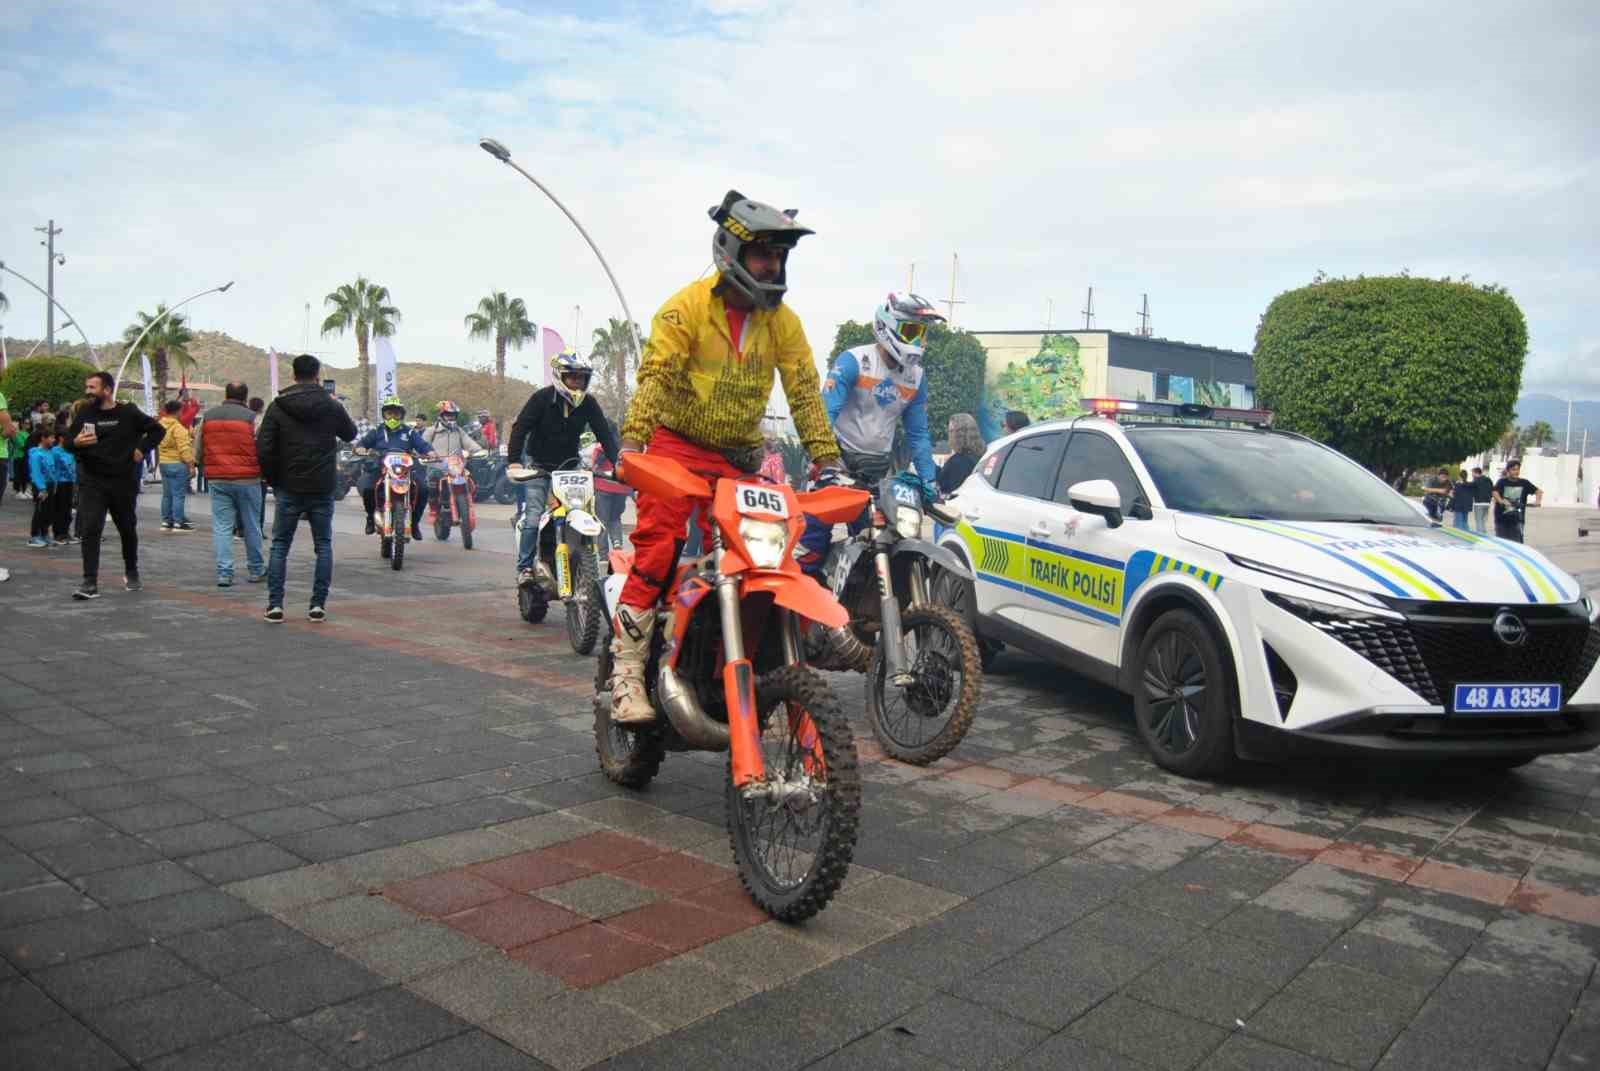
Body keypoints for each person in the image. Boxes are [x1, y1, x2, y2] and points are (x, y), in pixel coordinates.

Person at [609, 189, 843, 724]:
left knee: (766, 557)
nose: (774, 266)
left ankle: (737, 664)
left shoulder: (783, 322)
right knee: (660, 547)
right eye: (764, 253)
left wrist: (827, 460)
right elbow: (658, 376)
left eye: (780, 256)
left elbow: (805, 390)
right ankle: (627, 673)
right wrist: (632, 442)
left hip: (738, 458)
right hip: (674, 447)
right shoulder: (685, 307)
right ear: (730, 251)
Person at [256, 354, 357, 622]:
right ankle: (317, 605)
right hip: (322, 485)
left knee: (280, 545)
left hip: (288, 485)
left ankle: (275, 605)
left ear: (293, 374)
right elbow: (351, 434)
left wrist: (273, 479)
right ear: (317, 374)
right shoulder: (331, 405)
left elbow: (264, 447)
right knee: (323, 545)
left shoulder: (278, 406)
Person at [508, 352, 619, 588]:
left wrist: (617, 463)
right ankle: (525, 568)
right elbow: (520, 428)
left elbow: (604, 434)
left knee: (584, 512)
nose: (578, 382)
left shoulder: (589, 403)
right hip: (539, 466)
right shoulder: (541, 398)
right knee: (533, 517)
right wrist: (514, 461)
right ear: (560, 377)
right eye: (573, 377)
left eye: (582, 378)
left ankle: (582, 562)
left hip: (571, 467)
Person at [65, 371, 165, 600]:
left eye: (92, 387)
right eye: (87, 387)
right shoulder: (85, 413)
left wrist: (142, 448)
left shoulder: (128, 412)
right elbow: (69, 443)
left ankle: (132, 571)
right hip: (92, 482)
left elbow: (158, 430)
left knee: (127, 529)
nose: (87, 391)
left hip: (123, 482)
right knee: (91, 529)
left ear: (107, 389)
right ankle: (89, 581)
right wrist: (76, 442)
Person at [194, 382, 265, 587]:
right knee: (251, 525)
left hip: (218, 479)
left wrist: (200, 464)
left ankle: (224, 573)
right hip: (248, 480)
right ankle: (256, 569)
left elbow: (198, 449)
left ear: (226, 394)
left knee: (222, 527)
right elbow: (263, 448)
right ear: (245, 397)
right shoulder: (253, 419)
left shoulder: (208, 417)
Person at [355, 397, 432, 540]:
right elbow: (363, 443)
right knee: (367, 488)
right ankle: (371, 518)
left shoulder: (409, 432)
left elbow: (422, 445)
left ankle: (414, 524)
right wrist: (360, 448)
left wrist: (431, 452)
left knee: (423, 489)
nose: (392, 417)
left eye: (396, 414)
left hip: (405, 469)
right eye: (389, 413)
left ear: (401, 415)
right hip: (381, 467)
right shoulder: (377, 431)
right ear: (384, 414)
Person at [156, 399, 197, 531]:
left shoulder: (159, 425)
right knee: (178, 494)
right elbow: (184, 449)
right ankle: (178, 522)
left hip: (163, 463)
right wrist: (191, 465)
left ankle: (166, 521)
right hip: (177, 463)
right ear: (178, 411)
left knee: (167, 494)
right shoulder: (178, 428)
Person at [589, 439, 630, 552]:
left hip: (603, 487)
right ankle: (617, 544)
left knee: (602, 521)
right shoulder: (626, 447)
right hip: (622, 489)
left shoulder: (601, 447)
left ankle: (603, 555)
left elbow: (593, 467)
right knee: (615, 518)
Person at [1492, 459, 1542, 543]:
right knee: (1502, 543)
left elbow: (1538, 491)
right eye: (1513, 469)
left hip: (1517, 520)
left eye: (1518, 469)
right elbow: (1494, 491)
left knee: (1517, 544)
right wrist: (1501, 501)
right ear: (1508, 471)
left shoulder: (1524, 483)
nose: (1516, 472)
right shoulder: (1502, 482)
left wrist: (1537, 501)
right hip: (1501, 520)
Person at [26, 426, 58, 548]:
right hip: (41, 486)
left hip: (50, 485)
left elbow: (53, 470)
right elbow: (36, 472)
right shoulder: (36, 454)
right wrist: (41, 488)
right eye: (51, 437)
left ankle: (44, 534)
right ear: (43, 438)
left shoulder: (50, 452)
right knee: (40, 511)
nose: (53, 440)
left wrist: (54, 484)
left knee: (48, 512)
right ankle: (34, 536)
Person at [937, 413, 984, 496]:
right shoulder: (985, 454)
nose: (949, 434)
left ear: (959, 434)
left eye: (951, 431)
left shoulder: (957, 462)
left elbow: (951, 493)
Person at [49, 432, 77, 545]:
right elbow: (52, 467)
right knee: (59, 508)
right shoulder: (55, 451)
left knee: (68, 508)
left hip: (70, 482)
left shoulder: (70, 450)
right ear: (61, 438)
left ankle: (66, 532)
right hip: (59, 482)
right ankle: (59, 534)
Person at [1471, 466, 1493, 534]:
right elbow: (1492, 488)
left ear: (1476, 473)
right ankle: (1484, 535)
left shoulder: (1476, 480)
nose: (1472, 475)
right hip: (1487, 503)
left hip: (1479, 503)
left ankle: (1480, 535)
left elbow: (1471, 488)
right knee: (1483, 520)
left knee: (1479, 520)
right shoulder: (1488, 479)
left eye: (1472, 473)